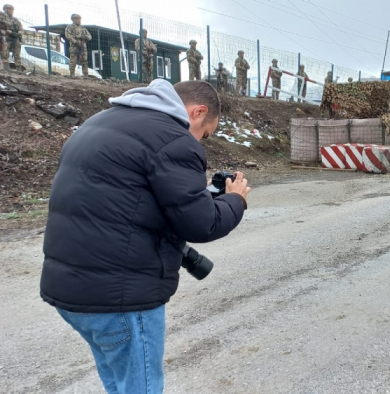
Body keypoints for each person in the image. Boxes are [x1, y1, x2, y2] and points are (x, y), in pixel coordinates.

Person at [40, 80, 250, 394]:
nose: (200, 141)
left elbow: (128, 200)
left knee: (120, 385)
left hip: (72, 291)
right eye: (204, 133)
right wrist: (235, 199)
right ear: (198, 111)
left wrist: (197, 191)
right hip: (121, 297)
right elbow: (201, 224)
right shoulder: (173, 139)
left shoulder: (98, 122)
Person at [0, 4, 21, 72]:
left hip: (15, 37)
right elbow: (3, 24)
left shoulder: (15, 20)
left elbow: (20, 27)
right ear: (5, 9)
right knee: (5, 52)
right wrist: (7, 30)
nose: (11, 11)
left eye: (12, 9)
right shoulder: (2, 16)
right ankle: (6, 67)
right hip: (6, 36)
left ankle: (18, 68)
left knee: (17, 53)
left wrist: (19, 33)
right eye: (9, 9)